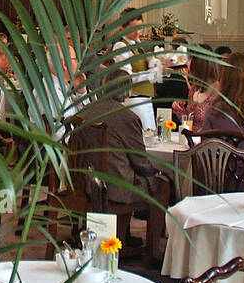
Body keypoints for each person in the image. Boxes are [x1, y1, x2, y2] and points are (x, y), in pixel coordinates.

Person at [70, 67, 173, 245]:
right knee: (163, 184)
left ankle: (122, 236)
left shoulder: (86, 112)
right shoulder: (127, 117)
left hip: (85, 182)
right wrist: (156, 172)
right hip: (115, 187)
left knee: (132, 173)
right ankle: (154, 249)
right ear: (128, 91)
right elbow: (140, 162)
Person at [112, 9, 155, 133]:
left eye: (140, 28)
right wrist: (152, 74)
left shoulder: (138, 44)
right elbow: (127, 78)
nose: (138, 32)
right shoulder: (121, 46)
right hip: (134, 99)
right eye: (133, 28)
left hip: (145, 98)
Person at [172, 52, 224, 129]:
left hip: (208, 138)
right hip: (192, 137)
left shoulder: (219, 91)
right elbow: (189, 121)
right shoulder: (194, 89)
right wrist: (179, 109)